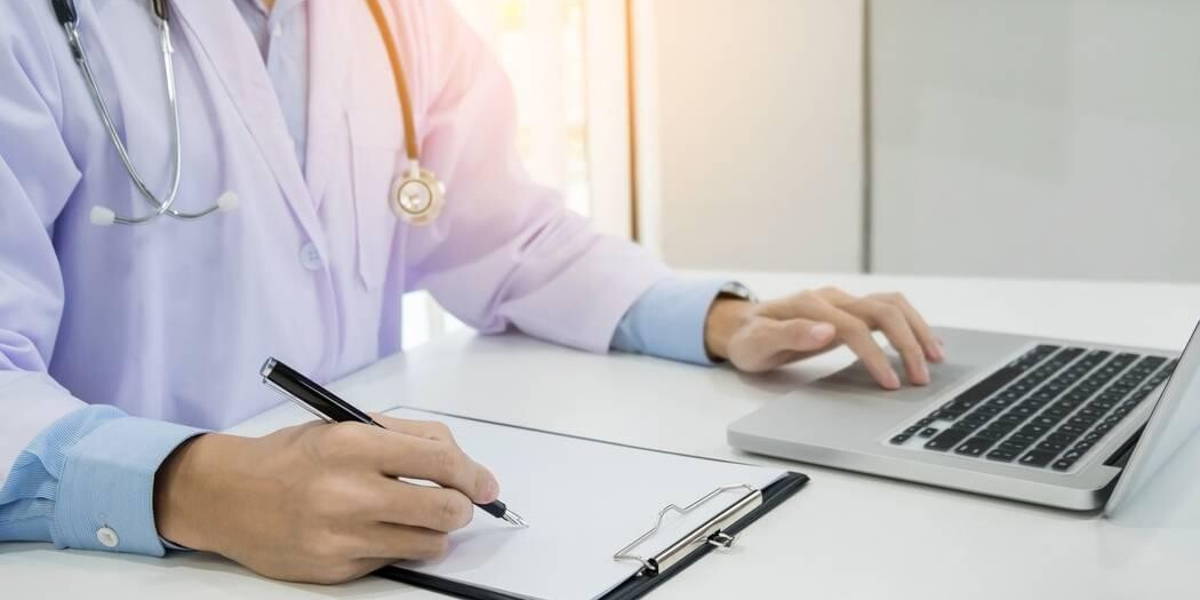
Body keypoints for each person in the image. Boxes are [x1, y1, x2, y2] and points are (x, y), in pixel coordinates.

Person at [0, 0, 943, 585]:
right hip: (118, 568)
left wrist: (721, 319)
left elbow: (500, 231)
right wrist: (197, 486)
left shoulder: (392, 18)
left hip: (361, 554)